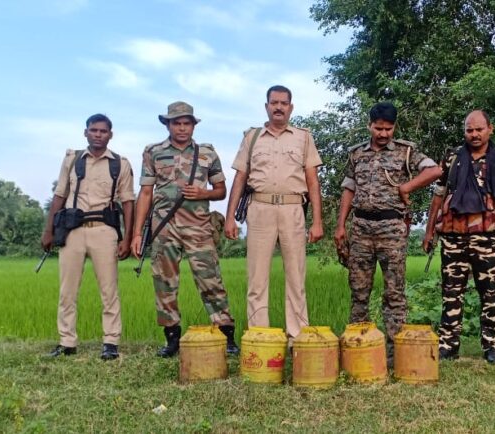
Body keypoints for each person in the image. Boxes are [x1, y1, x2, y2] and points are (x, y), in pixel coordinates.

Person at [334, 102, 442, 361]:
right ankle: (357, 347)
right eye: (378, 128)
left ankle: (395, 354)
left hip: (391, 230)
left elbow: (436, 169)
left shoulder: (406, 152)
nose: (383, 134)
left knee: (394, 292)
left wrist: (406, 188)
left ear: (394, 127)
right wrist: (340, 225)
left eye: (388, 129)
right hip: (360, 229)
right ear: (369, 125)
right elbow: (349, 188)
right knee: (359, 290)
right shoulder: (357, 154)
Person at [132, 101, 239, 358]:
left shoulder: (207, 154)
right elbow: (146, 192)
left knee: (211, 280)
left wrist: (203, 193)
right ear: (168, 125)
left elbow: (221, 190)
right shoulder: (153, 152)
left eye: (186, 123)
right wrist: (137, 233)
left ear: (193, 125)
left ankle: (226, 335)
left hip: (198, 226)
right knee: (164, 283)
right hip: (163, 227)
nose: (181, 128)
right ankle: (172, 339)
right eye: (176, 123)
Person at [224, 85, 324, 342]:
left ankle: (297, 337)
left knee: (296, 277)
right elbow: (240, 177)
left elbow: (313, 181)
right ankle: (260, 336)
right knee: (257, 279)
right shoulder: (252, 137)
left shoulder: (303, 137)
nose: (278, 107)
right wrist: (230, 216)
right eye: (274, 102)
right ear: (266, 106)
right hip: (260, 209)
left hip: (293, 209)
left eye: (283, 103)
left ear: (291, 107)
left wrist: (317, 221)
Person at [423, 110, 495, 365]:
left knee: (490, 293)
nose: (474, 135)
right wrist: (429, 229)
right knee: (451, 292)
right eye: (469, 130)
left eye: (478, 129)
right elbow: (439, 194)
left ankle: (493, 348)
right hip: (453, 237)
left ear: (490, 129)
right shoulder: (452, 157)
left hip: (487, 238)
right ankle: (448, 346)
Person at [42, 113, 134, 360]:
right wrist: (48, 230)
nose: (98, 135)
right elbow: (60, 195)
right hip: (73, 230)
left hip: (105, 231)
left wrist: (127, 237)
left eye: (103, 131)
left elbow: (127, 202)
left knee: (109, 290)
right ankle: (67, 342)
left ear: (110, 135)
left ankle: (111, 343)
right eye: (93, 130)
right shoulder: (72, 160)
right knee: (67, 290)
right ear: (86, 132)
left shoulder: (120, 163)